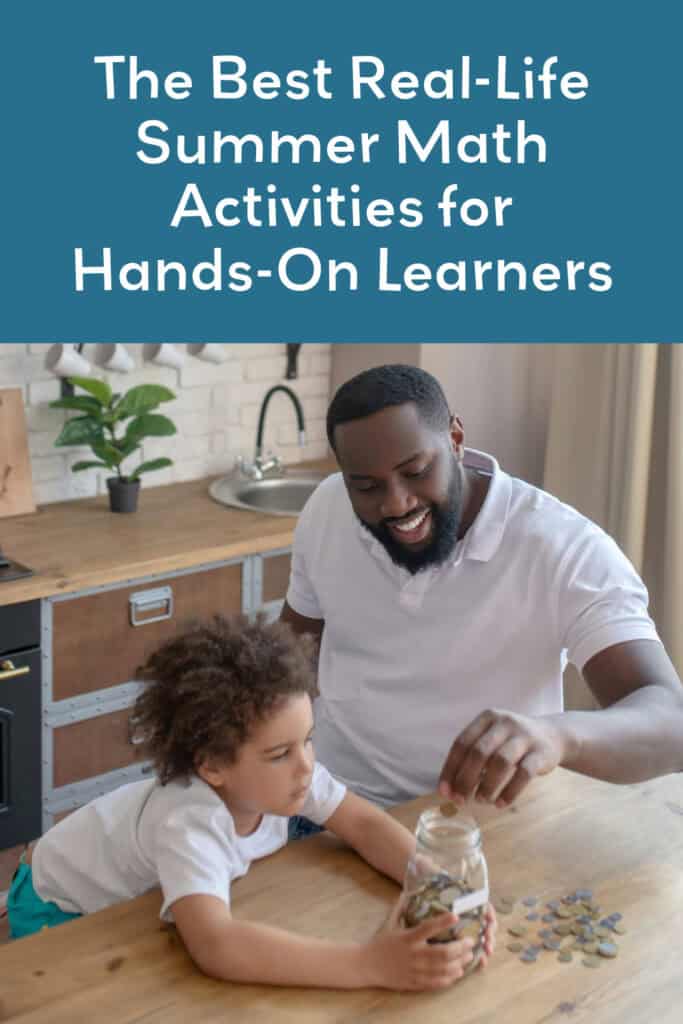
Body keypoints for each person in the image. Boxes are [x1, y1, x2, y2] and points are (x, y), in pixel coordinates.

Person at [7, 614, 496, 991]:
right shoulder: (188, 821)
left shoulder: (295, 775)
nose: (306, 765)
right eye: (280, 754)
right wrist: (371, 964)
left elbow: (364, 825)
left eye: (308, 739)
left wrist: (441, 887)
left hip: (136, 884)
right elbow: (216, 945)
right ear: (213, 766)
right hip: (58, 906)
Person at [281, 364, 683, 811]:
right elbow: (293, 649)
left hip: (480, 822)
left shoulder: (563, 548)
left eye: (415, 471)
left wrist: (558, 735)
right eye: (367, 485)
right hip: (330, 804)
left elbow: (671, 721)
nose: (396, 502)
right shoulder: (327, 507)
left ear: (455, 439)